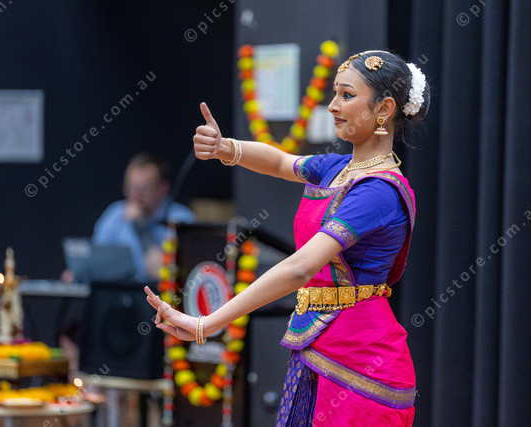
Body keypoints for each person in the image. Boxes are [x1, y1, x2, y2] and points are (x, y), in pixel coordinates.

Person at [145, 50, 429, 426]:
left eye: (346, 95)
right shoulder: (337, 169)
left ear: (384, 108)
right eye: (334, 94)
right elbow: (280, 162)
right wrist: (226, 148)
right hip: (320, 345)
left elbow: (300, 269)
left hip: (360, 363)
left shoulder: (378, 190)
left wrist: (207, 323)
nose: (332, 106)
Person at [62, 152, 195, 283]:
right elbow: (97, 262)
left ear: (163, 187)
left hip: (157, 295)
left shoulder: (180, 219)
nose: (134, 196)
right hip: (117, 293)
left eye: (143, 189)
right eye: (129, 188)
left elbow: (163, 275)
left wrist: (141, 227)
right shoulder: (115, 214)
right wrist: (80, 273)